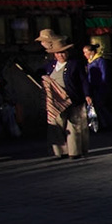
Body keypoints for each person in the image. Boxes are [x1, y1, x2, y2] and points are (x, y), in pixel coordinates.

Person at [39, 31, 89, 159]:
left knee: (74, 125)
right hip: (57, 101)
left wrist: (87, 95)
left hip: (74, 98)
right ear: (54, 54)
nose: (61, 55)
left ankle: (75, 151)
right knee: (56, 124)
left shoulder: (75, 64)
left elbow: (83, 80)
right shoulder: (50, 66)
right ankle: (60, 151)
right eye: (58, 53)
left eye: (63, 52)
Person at [84, 42, 112, 135]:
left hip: (101, 86)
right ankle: (103, 123)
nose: (85, 55)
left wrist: (103, 85)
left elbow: (104, 74)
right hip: (93, 87)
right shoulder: (90, 62)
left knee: (101, 105)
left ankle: (110, 122)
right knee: (97, 106)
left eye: (86, 52)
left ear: (91, 52)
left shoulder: (100, 61)